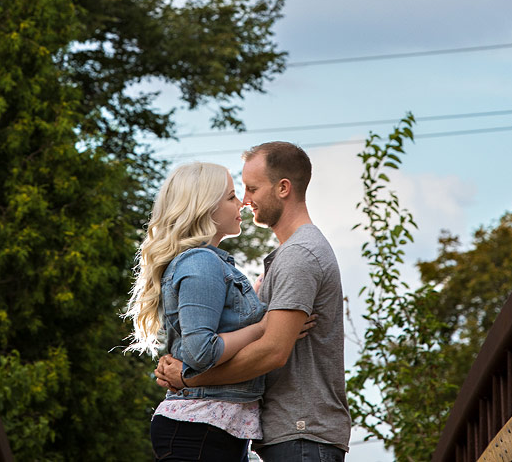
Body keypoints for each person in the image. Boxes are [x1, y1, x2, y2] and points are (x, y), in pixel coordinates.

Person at [156, 142, 351, 462]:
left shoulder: (299, 255)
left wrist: (188, 378)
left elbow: (272, 351)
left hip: (301, 431)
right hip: (284, 432)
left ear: (283, 188)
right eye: (238, 192)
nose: (245, 201)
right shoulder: (285, 256)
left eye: (251, 189)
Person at [126, 161, 272, 461]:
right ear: (205, 207)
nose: (243, 202)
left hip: (212, 427)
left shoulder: (208, 263)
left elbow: (218, 328)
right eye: (231, 196)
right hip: (198, 428)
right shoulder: (201, 263)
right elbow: (200, 353)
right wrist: (263, 326)